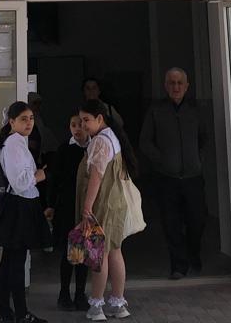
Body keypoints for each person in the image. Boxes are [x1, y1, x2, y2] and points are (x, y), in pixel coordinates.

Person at [0, 101, 52, 323]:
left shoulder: (16, 142)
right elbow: (20, 182)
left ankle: (6, 312)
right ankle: (20, 313)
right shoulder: (14, 143)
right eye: (23, 119)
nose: (29, 123)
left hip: (17, 205)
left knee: (10, 262)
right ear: (12, 122)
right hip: (19, 206)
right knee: (15, 264)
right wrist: (39, 176)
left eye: (31, 118)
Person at [140, 67, 208, 280]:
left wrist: (197, 159)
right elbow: (145, 142)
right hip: (166, 178)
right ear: (165, 86)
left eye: (179, 83)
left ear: (186, 86)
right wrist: (161, 160)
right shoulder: (156, 110)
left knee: (197, 220)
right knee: (171, 224)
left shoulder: (195, 110)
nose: (176, 87)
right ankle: (178, 265)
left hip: (193, 177)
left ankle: (193, 255)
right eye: (171, 82)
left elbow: (204, 138)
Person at [76, 99, 139, 321]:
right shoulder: (113, 137)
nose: (83, 125)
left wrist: (87, 206)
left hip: (102, 204)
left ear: (99, 118)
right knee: (114, 251)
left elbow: (96, 176)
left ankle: (97, 306)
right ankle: (118, 303)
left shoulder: (100, 142)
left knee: (99, 255)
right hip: (116, 203)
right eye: (80, 120)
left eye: (86, 120)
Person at [47, 113, 89, 311]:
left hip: (85, 206)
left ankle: (80, 294)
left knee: (83, 253)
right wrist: (50, 204)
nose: (77, 129)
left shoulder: (93, 147)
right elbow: (54, 178)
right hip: (67, 206)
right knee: (68, 252)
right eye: (73, 125)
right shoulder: (65, 149)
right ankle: (64, 293)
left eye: (81, 124)